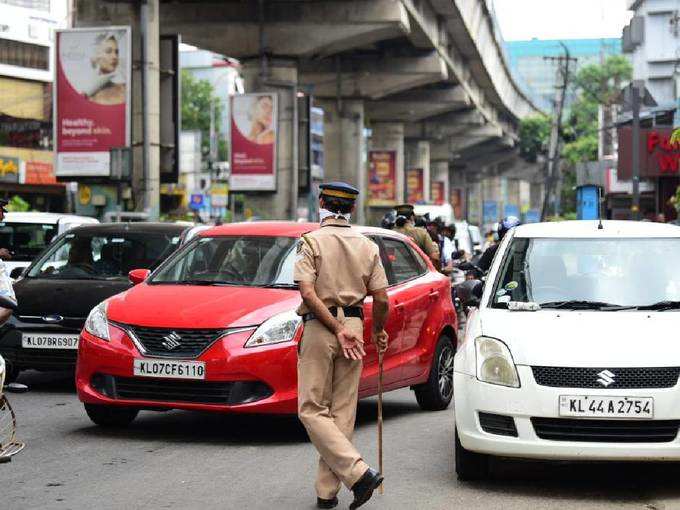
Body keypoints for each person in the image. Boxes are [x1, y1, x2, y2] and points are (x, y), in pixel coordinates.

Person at [295, 181, 389, 510]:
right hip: (354, 325)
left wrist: (335, 329)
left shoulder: (310, 241)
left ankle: (359, 473)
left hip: (322, 327)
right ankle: (327, 493)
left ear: (321, 203)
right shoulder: (367, 246)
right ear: (352, 209)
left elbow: (307, 293)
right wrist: (375, 329)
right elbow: (381, 297)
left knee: (311, 409)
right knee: (341, 413)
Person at [87, 33, 126, 105]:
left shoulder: (124, 89)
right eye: (108, 51)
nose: (115, 56)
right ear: (96, 55)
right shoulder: (87, 91)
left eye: (116, 52)